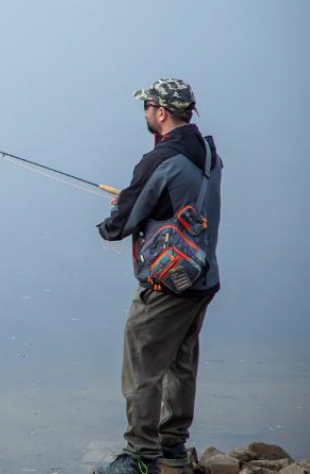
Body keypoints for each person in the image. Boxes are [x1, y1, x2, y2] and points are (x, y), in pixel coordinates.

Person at [95, 79, 223, 474]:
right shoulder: (207, 153)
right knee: (181, 363)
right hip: (202, 277)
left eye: (146, 108)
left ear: (160, 112)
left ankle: (140, 456)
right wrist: (140, 201)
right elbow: (174, 203)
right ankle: (172, 447)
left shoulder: (159, 160)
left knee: (142, 367)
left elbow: (119, 225)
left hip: (165, 285)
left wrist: (111, 220)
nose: (146, 114)